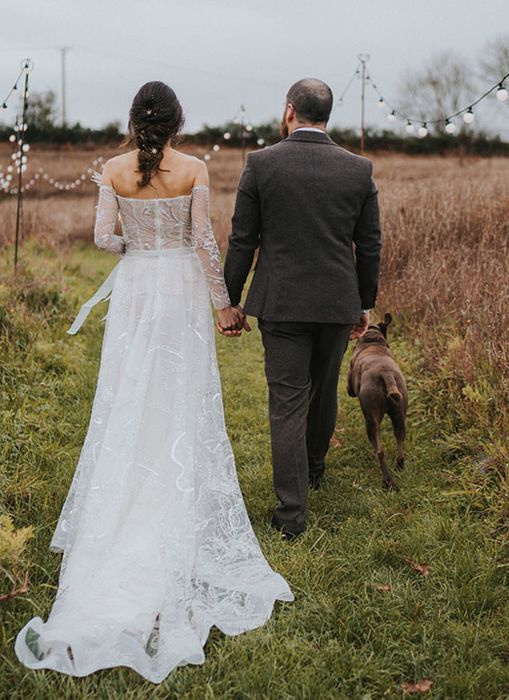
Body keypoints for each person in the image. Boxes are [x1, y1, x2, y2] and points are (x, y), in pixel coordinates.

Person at [15, 81, 292, 684]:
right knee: (179, 387)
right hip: (180, 290)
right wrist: (225, 304)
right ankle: (171, 477)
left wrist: (135, 242)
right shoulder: (193, 167)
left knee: (129, 386)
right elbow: (202, 241)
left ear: (134, 120)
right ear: (177, 122)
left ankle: (129, 484)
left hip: (139, 284)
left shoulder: (111, 168)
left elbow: (102, 239)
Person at [223, 78, 382, 539]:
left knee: (287, 402)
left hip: (282, 303)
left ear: (290, 111)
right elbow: (369, 245)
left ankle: (292, 513)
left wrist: (231, 299)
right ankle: (313, 468)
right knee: (324, 389)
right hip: (337, 301)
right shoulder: (358, 169)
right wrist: (364, 302)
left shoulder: (261, 163)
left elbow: (242, 240)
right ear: (327, 115)